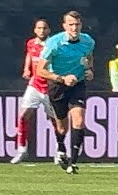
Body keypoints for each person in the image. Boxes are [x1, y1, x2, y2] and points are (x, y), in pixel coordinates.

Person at [36, 10, 96, 174]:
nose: (74, 28)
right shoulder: (54, 43)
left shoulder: (88, 41)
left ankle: (73, 161)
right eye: (71, 24)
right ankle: (61, 147)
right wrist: (61, 79)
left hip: (77, 84)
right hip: (58, 86)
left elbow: (88, 58)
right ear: (64, 26)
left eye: (77, 24)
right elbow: (40, 70)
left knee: (79, 119)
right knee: (62, 127)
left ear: (81, 25)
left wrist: (89, 70)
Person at [11, 18, 51, 164]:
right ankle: (22, 149)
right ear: (35, 30)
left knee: (56, 122)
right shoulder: (31, 43)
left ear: (49, 30)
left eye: (44, 28)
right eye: (39, 28)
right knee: (22, 116)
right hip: (34, 85)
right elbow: (29, 55)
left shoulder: (52, 45)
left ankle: (60, 151)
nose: (42, 31)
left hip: (50, 87)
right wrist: (26, 68)